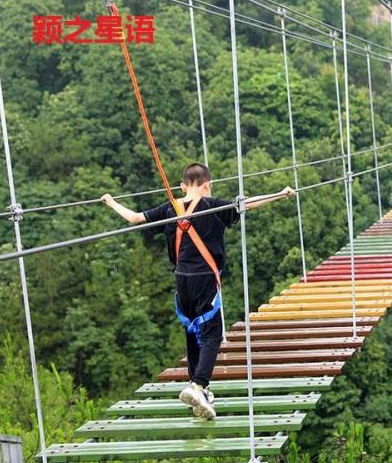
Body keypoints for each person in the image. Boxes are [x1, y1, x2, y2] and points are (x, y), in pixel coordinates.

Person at [102, 162, 294, 419]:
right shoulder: (213, 205)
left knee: (193, 330)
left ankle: (200, 392)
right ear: (207, 185)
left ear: (182, 186)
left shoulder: (171, 207)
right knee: (212, 333)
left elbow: (136, 218)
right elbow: (247, 203)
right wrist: (281, 194)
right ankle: (198, 385)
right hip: (205, 278)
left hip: (181, 279)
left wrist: (111, 202)